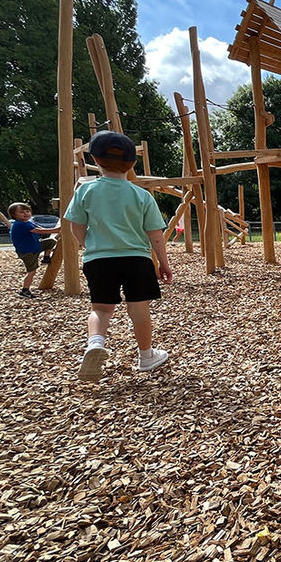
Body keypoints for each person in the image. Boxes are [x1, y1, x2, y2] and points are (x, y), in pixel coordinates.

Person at [64, 130, 172, 381]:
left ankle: (95, 343)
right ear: (133, 164)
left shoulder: (85, 191)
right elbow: (155, 234)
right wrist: (163, 263)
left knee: (101, 308)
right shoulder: (141, 195)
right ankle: (146, 356)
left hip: (99, 258)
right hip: (137, 259)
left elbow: (75, 225)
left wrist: (85, 244)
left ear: (96, 160)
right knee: (139, 307)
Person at [8, 203, 60, 297]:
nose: (25, 213)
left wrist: (55, 230)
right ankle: (25, 290)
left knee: (51, 241)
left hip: (35, 247)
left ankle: (46, 257)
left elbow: (40, 228)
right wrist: (57, 230)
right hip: (27, 252)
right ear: (14, 215)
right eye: (21, 212)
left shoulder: (28, 222)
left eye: (27, 211)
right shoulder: (19, 224)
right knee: (32, 272)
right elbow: (39, 231)